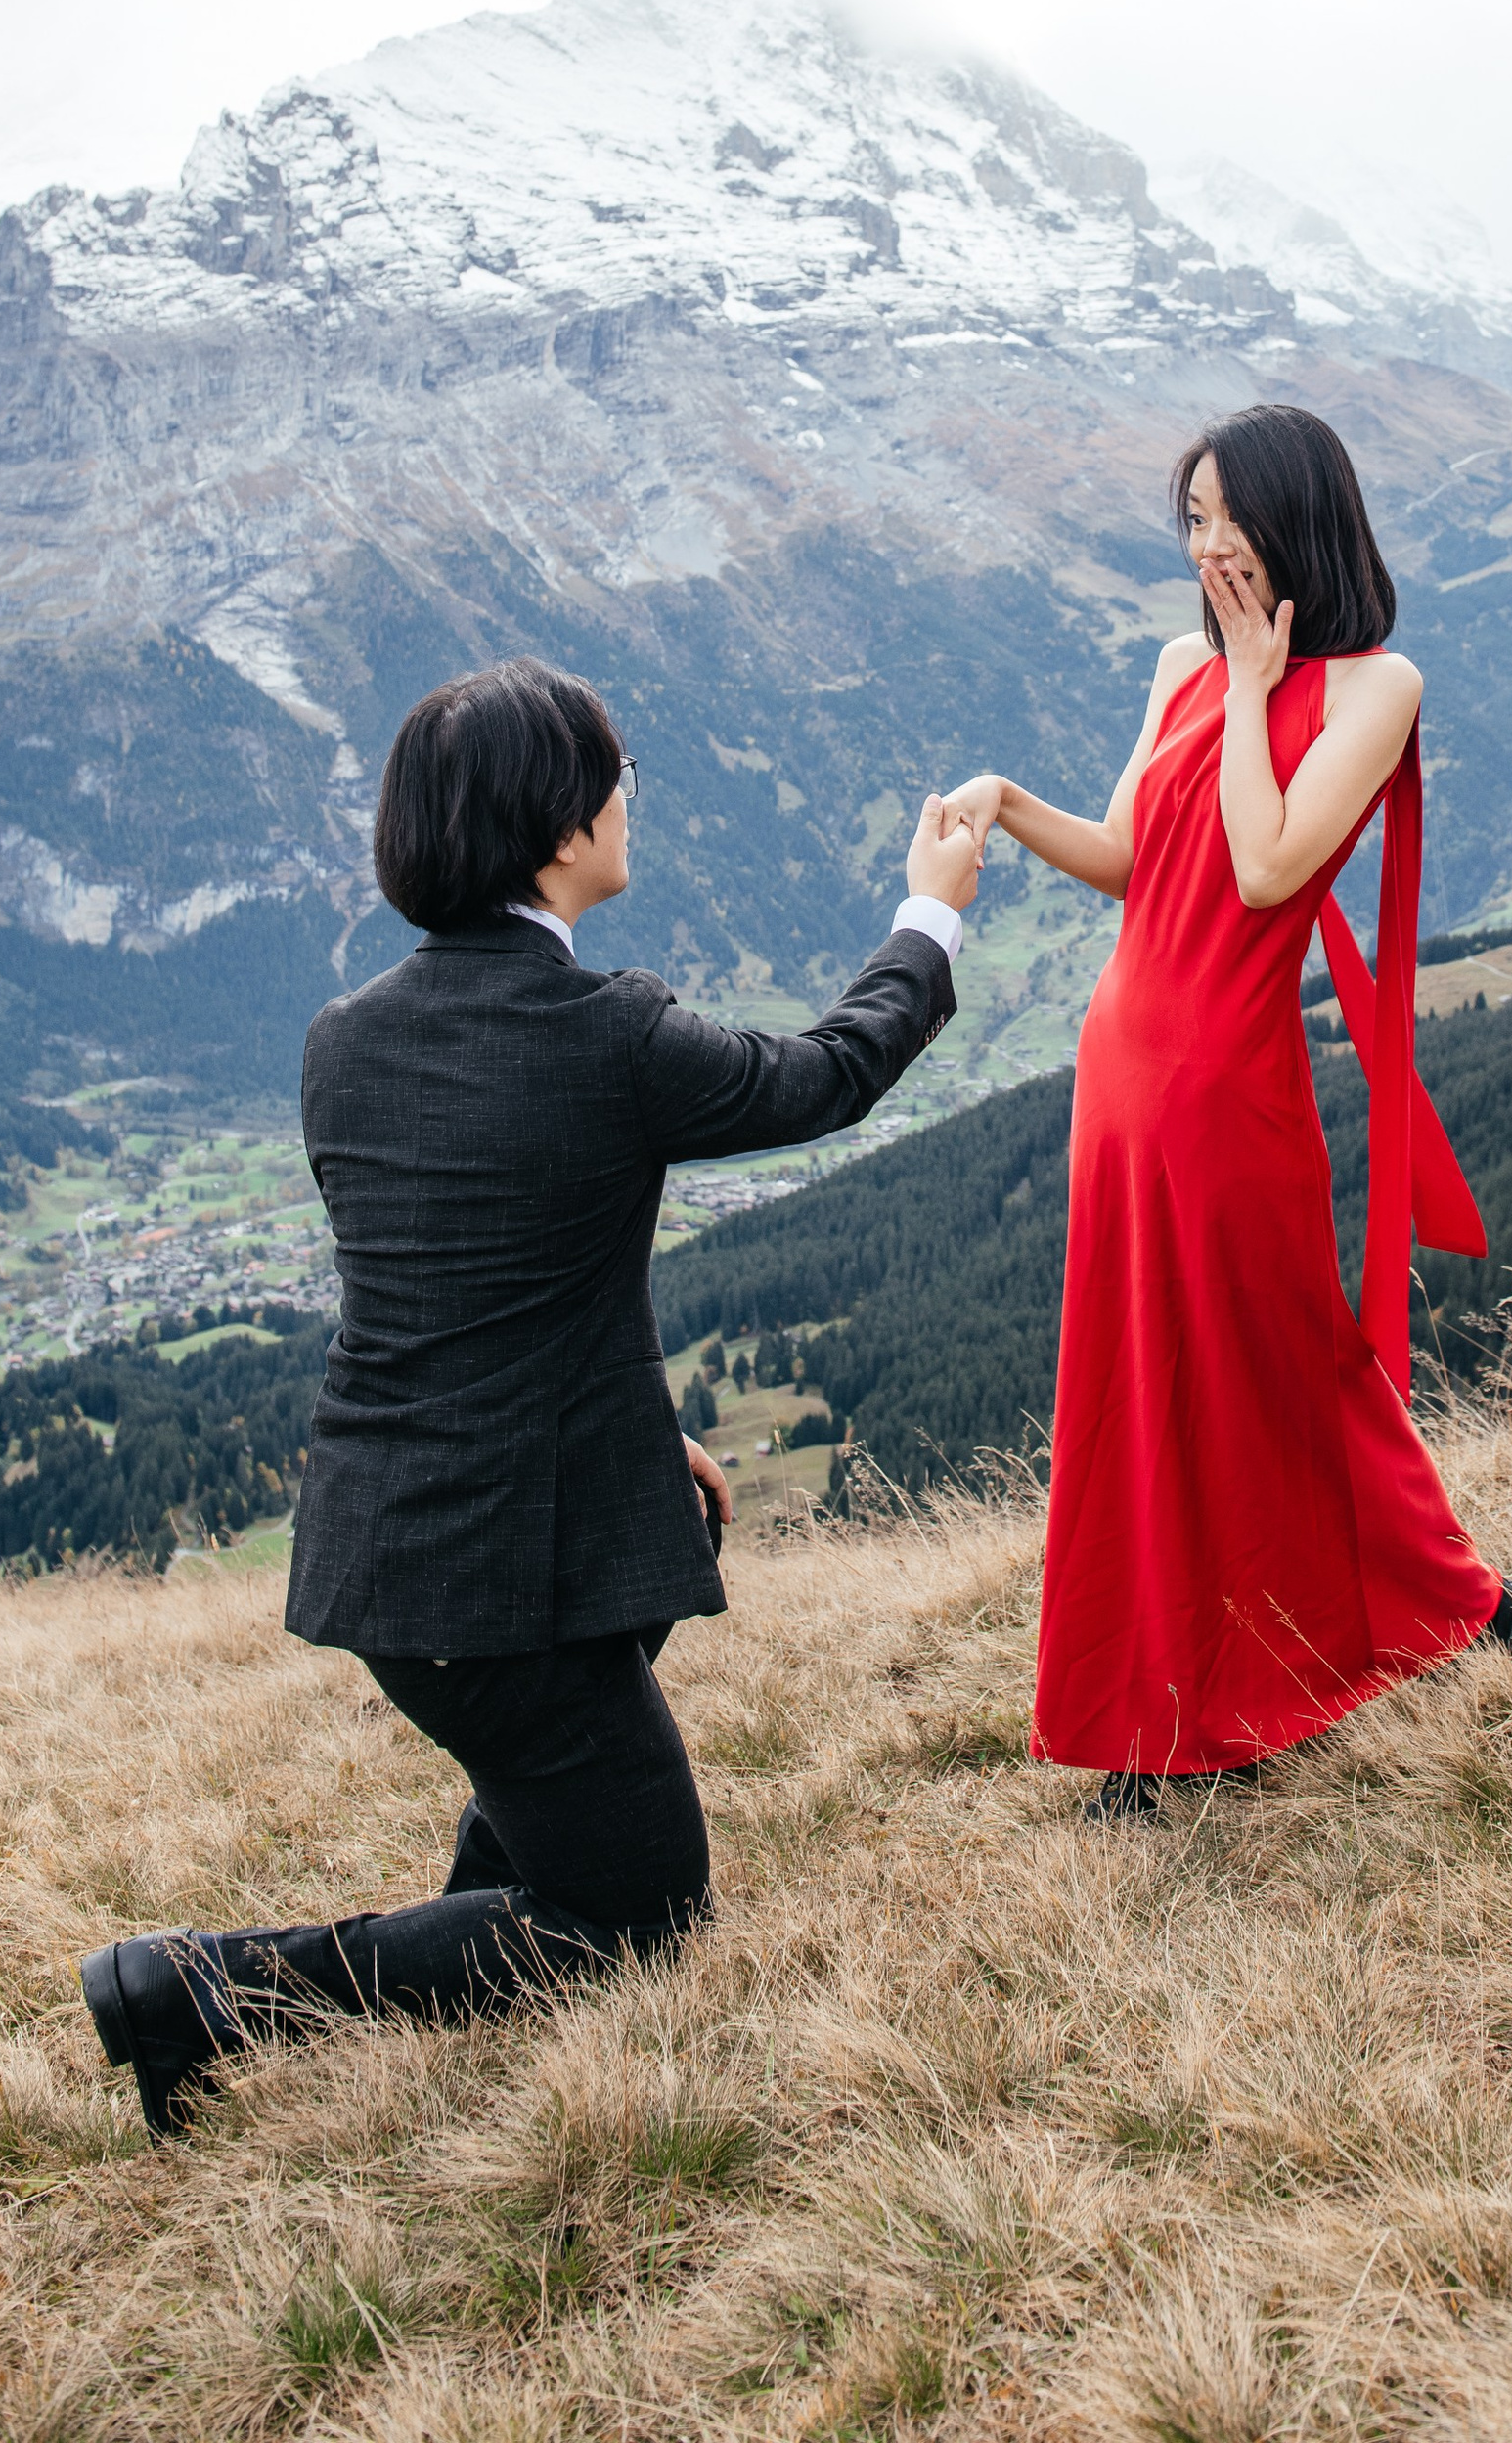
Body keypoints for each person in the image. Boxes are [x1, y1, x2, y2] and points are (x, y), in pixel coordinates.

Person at [81, 655, 980, 2131]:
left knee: (569, 1802)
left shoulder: (341, 1043)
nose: (630, 798)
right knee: (638, 1912)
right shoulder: (606, 1032)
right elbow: (825, 1076)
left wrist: (644, 1435)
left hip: (398, 1549)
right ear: (558, 831)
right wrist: (929, 909)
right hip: (491, 1583)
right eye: (615, 776)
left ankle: (452, 1976)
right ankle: (199, 1992)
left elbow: (475, 1291)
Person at [942, 404, 1512, 1820]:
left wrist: (1261, 690)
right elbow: (1138, 857)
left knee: (1274, 1362)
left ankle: (1430, 1605)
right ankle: (1160, 1712)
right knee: (1139, 1383)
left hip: (1227, 1084)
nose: (1206, 546)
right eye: (1189, 518)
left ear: (1296, 519)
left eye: (1228, 517)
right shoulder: (1174, 667)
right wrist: (1010, 802)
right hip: (1123, 1065)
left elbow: (1267, 871)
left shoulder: (1376, 686)